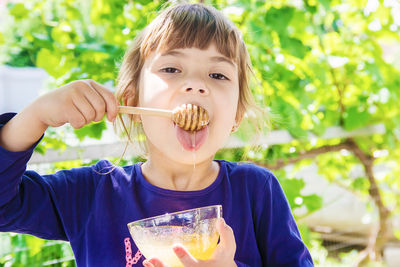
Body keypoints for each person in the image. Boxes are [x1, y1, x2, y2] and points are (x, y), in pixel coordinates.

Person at [0, 3, 314, 267]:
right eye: (172, 69)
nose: (196, 85)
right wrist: (34, 117)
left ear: (236, 116)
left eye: (217, 74)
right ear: (133, 99)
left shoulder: (257, 191)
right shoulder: (93, 194)